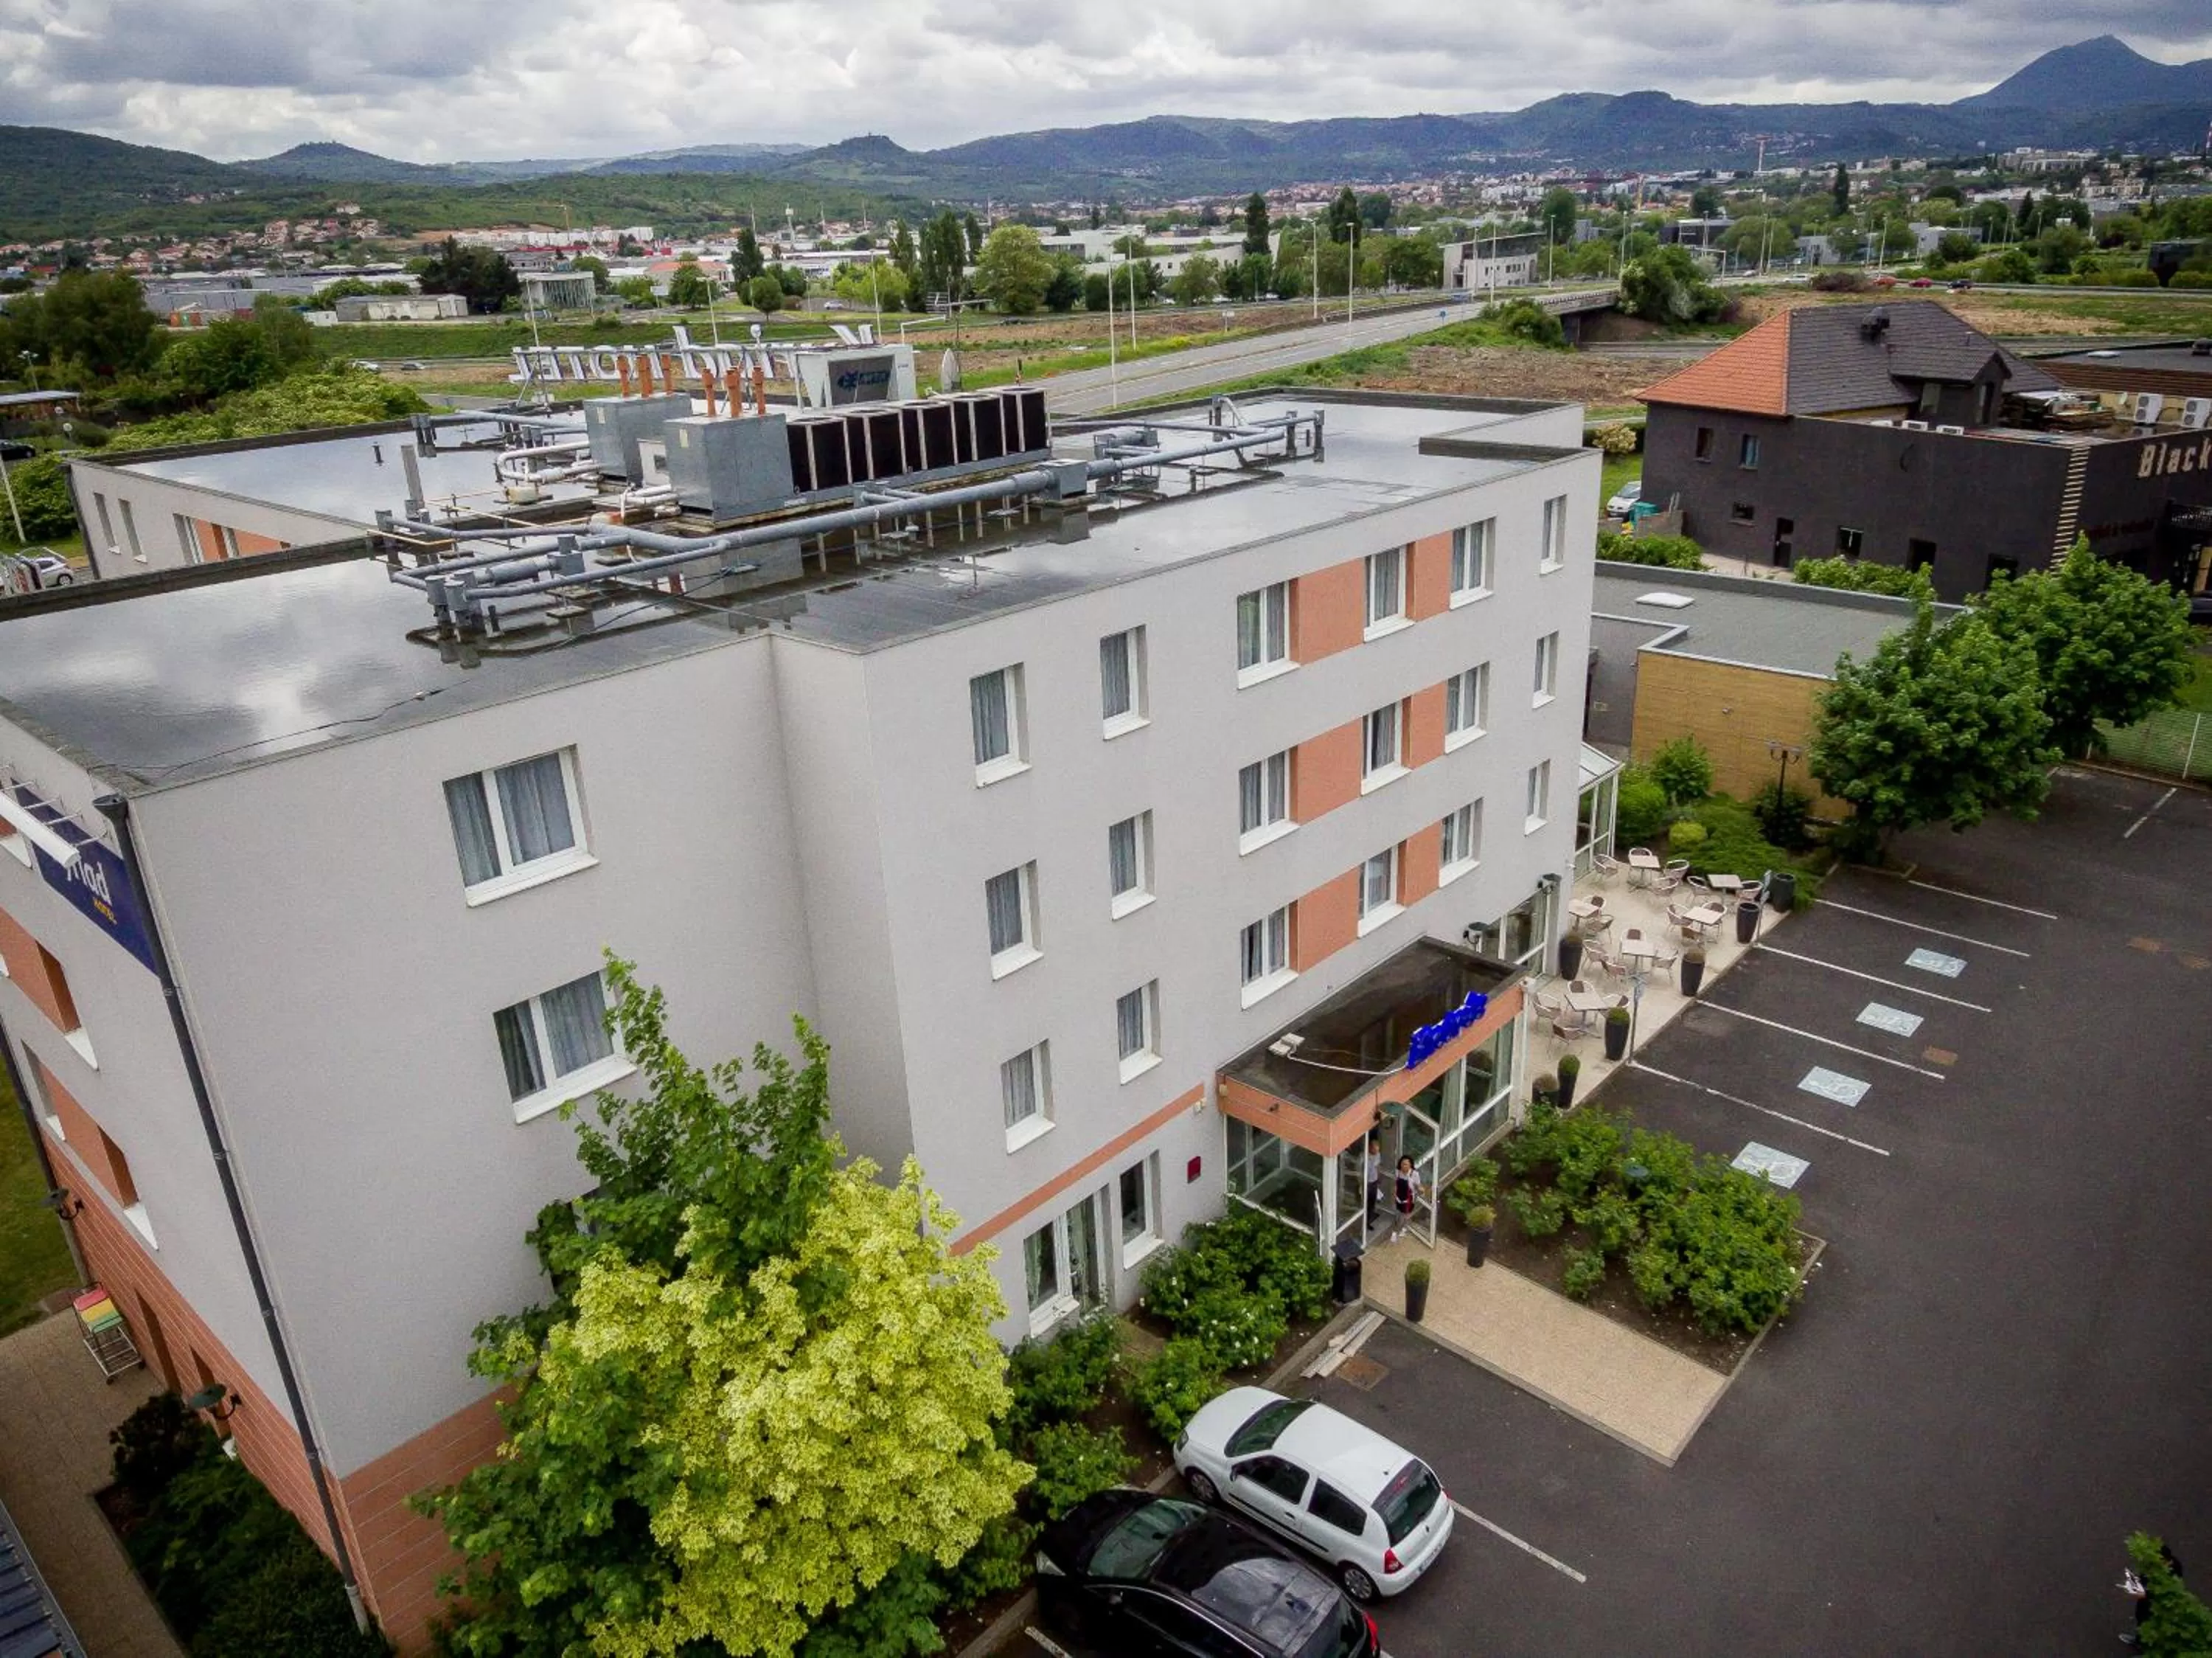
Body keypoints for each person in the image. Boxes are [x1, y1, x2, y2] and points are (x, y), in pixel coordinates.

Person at [1390, 1154, 1422, 1241]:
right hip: (1399, 1197)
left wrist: (1421, 1190)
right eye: (1402, 1164)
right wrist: (1394, 1194)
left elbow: (1418, 1186)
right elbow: (1396, 1184)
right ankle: (1405, 1227)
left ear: (1410, 1165)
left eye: (1406, 1164)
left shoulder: (1414, 1174)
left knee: (1403, 1216)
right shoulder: (1398, 1172)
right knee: (1402, 1214)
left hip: (1408, 1199)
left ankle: (1395, 1232)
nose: (1404, 1166)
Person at [1364, 1135, 1384, 1226]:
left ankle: (1369, 1219)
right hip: (1366, 1183)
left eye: (1377, 1151)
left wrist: (1379, 1177)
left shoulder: (1377, 1155)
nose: (1376, 1153)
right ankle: (1365, 1220)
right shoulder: (1364, 1157)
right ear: (1369, 1148)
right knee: (1366, 1202)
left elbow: (1377, 1166)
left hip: (1374, 1182)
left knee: (1372, 1201)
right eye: (1374, 1151)